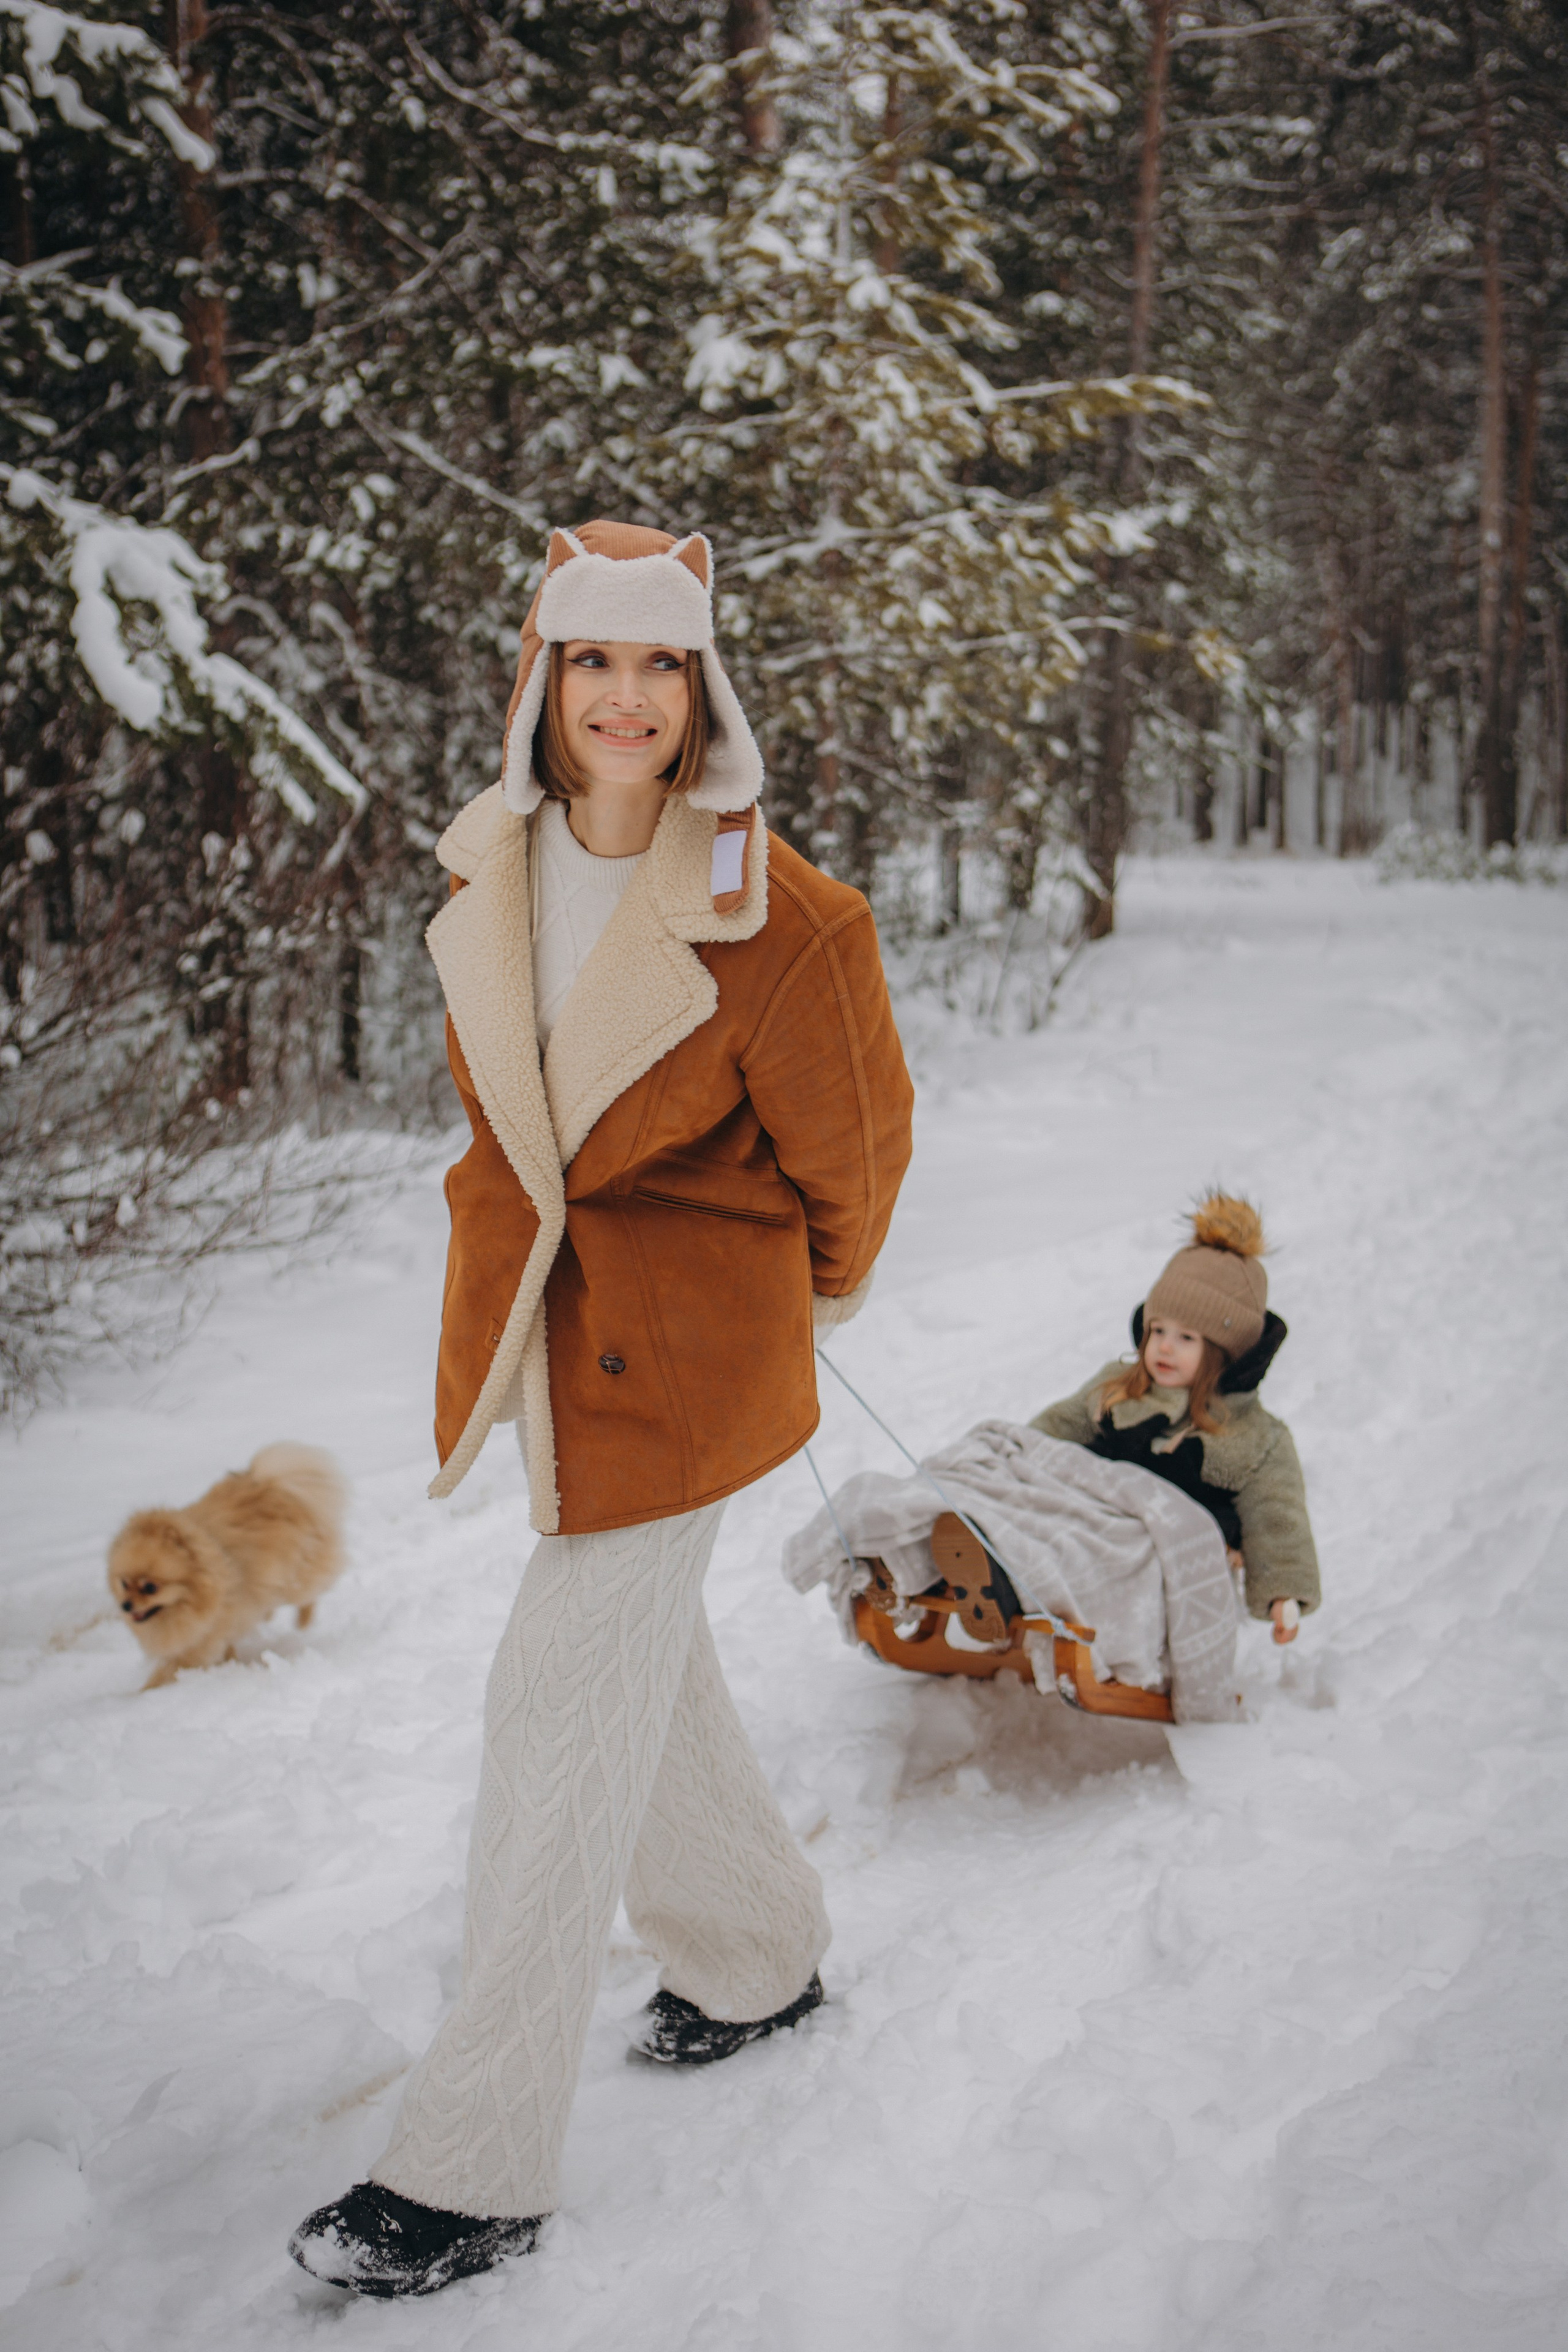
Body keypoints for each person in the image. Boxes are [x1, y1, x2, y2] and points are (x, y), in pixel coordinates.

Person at [290, 519, 915, 2297]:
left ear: (701, 683)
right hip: (547, 1344)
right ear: (542, 680)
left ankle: (472, 2163)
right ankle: (757, 1953)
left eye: (660, 662)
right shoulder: (492, 864)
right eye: (592, 662)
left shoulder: (786, 914)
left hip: (691, 1360)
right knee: (644, 1680)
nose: (626, 697)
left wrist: (808, 1296)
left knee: (551, 1702)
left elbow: (856, 1151)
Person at [1031, 1194, 1319, 1643]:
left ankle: (1009, 1584)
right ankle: (976, 1567)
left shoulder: (1255, 1437)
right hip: (1086, 1535)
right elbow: (1052, 1433)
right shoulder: (1119, 1387)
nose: (1165, 1347)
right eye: (1158, 1330)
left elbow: (1277, 1515)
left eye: (1186, 1338)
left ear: (1223, 1354)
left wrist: (1284, 1595)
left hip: (1170, 1575)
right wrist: (1018, 1463)